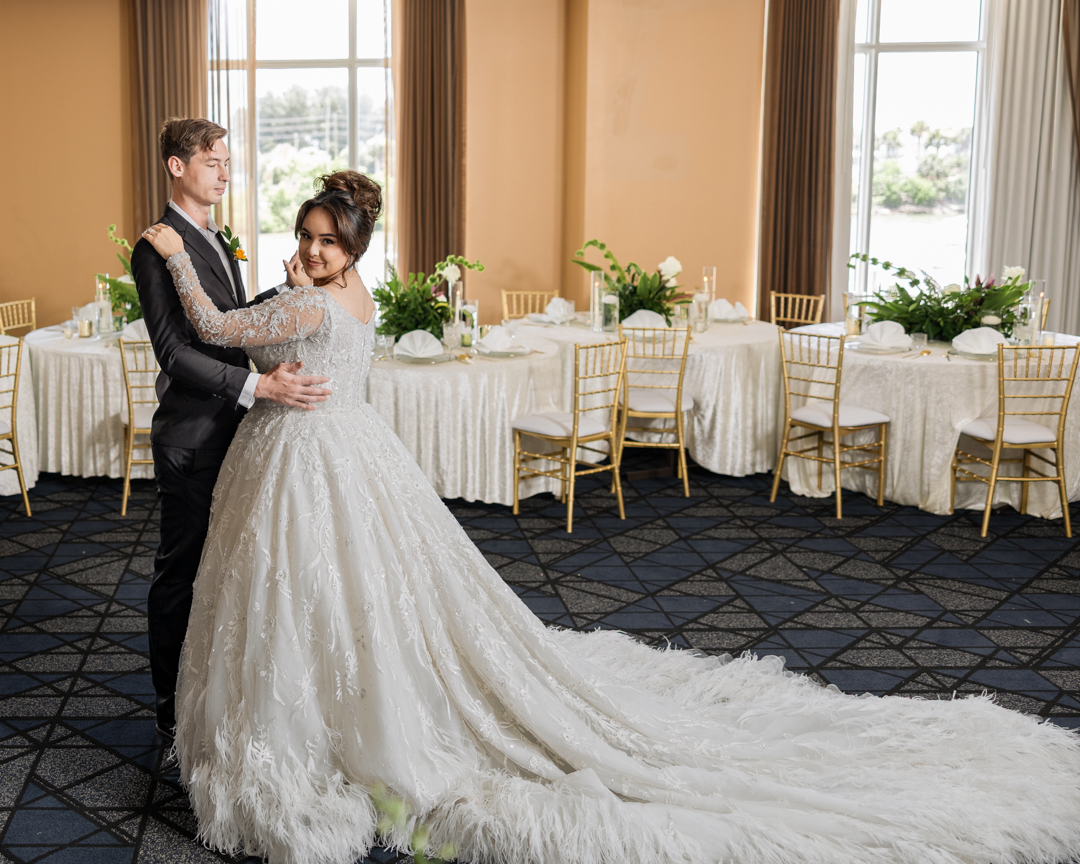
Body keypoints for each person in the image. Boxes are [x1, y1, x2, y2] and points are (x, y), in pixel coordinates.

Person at [143, 171, 1080, 864]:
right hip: (339, 448)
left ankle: (336, 732)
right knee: (339, 597)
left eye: (326, 242)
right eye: (306, 236)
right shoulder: (353, 300)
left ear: (354, 250)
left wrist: (181, 262)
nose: (311, 252)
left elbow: (220, 331)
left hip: (311, 459)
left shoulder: (310, 300)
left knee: (309, 594)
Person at [131, 117, 332, 743]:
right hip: (191, 436)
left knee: (227, 570)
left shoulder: (216, 238)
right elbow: (174, 351)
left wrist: (284, 290)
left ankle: (215, 698)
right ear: (177, 166)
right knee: (182, 570)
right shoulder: (156, 244)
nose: (225, 172)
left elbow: (227, 320)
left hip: (236, 432)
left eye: (227, 162)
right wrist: (258, 387)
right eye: (214, 161)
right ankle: (170, 712)